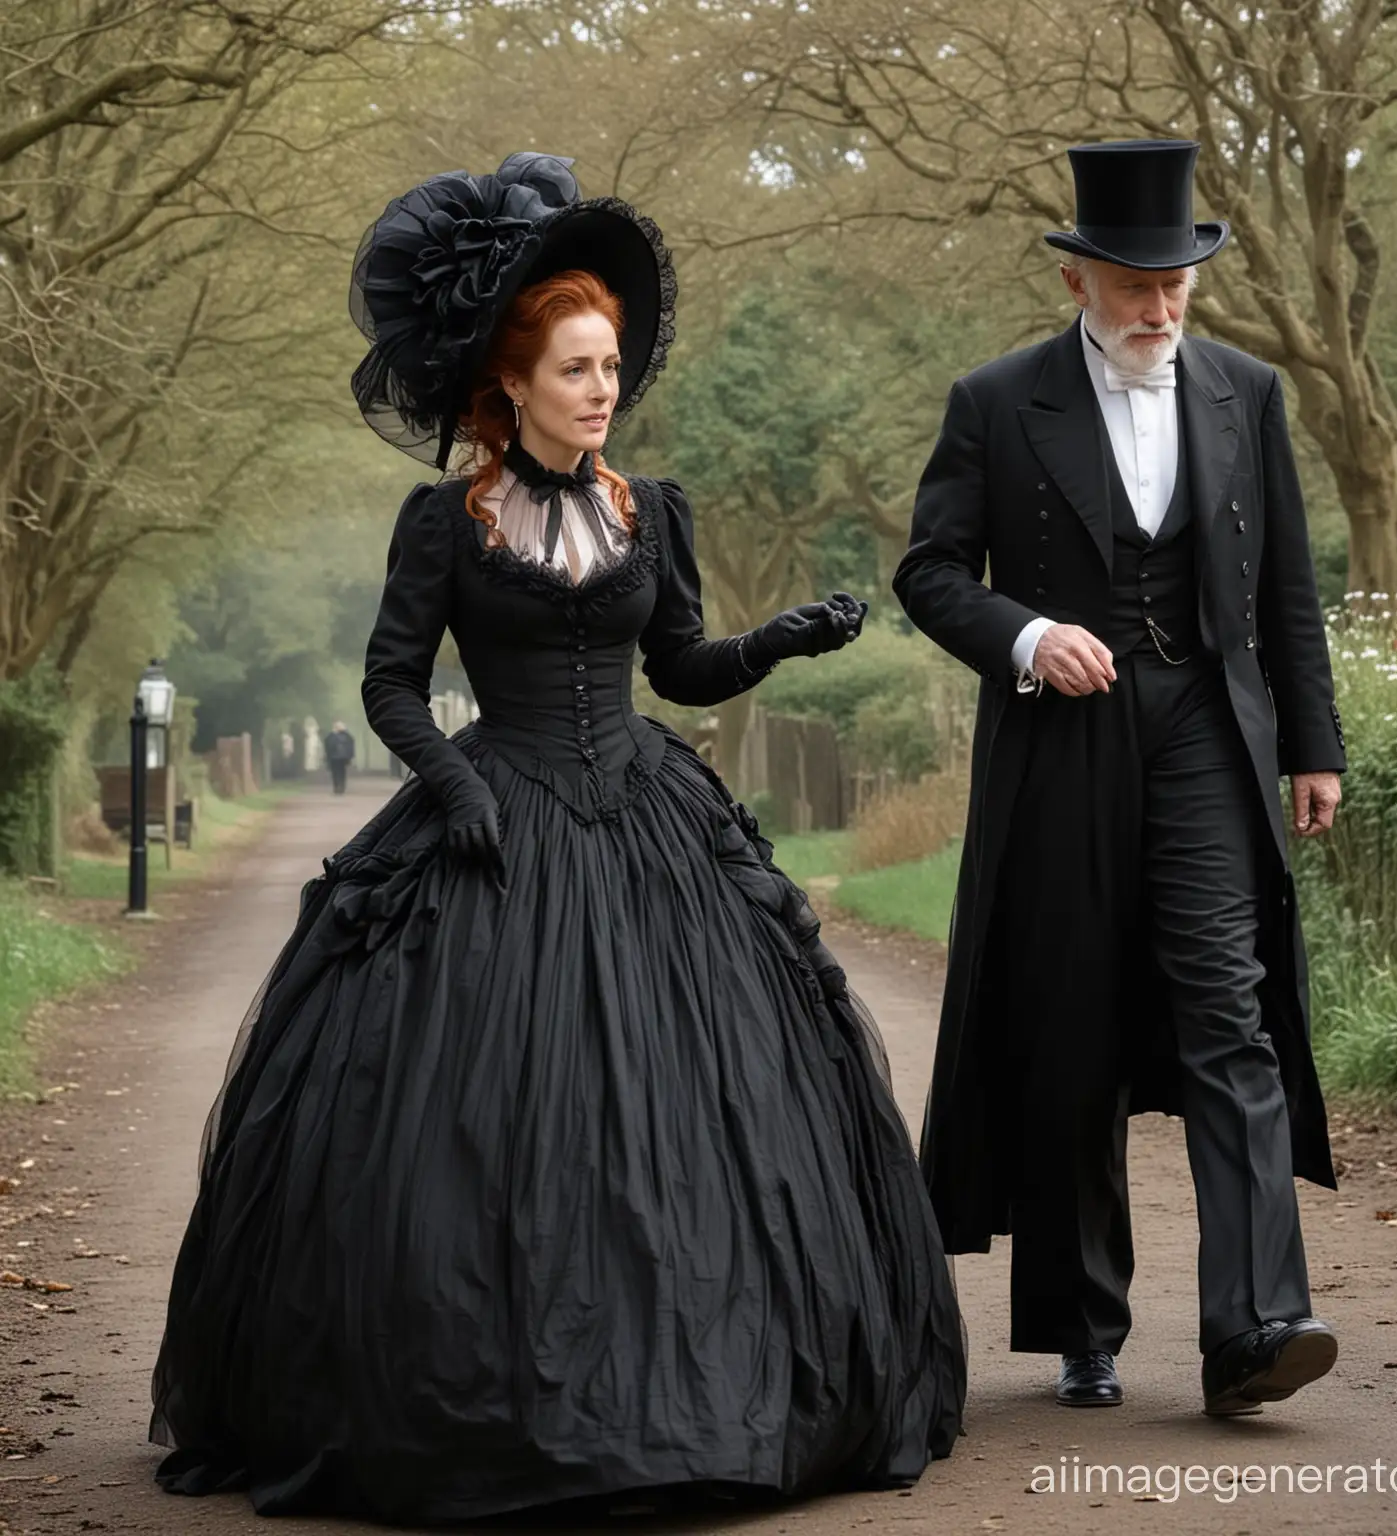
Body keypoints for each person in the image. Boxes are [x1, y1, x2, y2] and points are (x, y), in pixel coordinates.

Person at [148, 151, 965, 1523]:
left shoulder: (650, 509)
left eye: (612, 369)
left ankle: (702, 1392)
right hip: (494, 822)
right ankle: (495, 1401)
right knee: (479, 1121)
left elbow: (683, 668)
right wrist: (454, 793)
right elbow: (392, 684)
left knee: (703, 1106)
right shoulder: (447, 524)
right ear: (512, 383)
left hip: (646, 816)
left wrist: (778, 640)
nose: (607, 392)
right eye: (581, 370)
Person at [893, 139, 1346, 1419]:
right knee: (1073, 1024)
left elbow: (1286, 589)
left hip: (1208, 725)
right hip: (1062, 740)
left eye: (1179, 282)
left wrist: (1312, 744)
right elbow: (929, 572)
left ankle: (1254, 1326)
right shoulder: (996, 399)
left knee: (1229, 1008)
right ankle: (1083, 1325)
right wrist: (1028, 637)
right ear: (1079, 278)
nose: (1162, 307)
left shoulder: (1245, 392)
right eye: (1136, 284)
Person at [322, 719, 355, 794]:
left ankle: (341, 787)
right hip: (333, 757)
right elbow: (327, 746)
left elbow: (350, 746)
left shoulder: (347, 736)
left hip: (342, 758)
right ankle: (337, 786)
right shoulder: (331, 736)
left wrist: (350, 756)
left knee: (341, 772)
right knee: (335, 773)